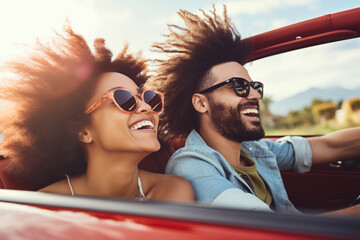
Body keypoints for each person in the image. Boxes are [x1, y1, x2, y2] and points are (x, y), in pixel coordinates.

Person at [146, 5, 360, 213]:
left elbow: (329, 146)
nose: (256, 95)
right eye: (239, 87)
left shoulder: (254, 150)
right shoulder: (191, 166)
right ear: (201, 103)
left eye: (255, 87)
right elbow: (275, 232)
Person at [0, 24, 194, 203]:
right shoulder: (47, 206)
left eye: (148, 97)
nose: (146, 107)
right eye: (124, 99)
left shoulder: (173, 190)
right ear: (83, 131)